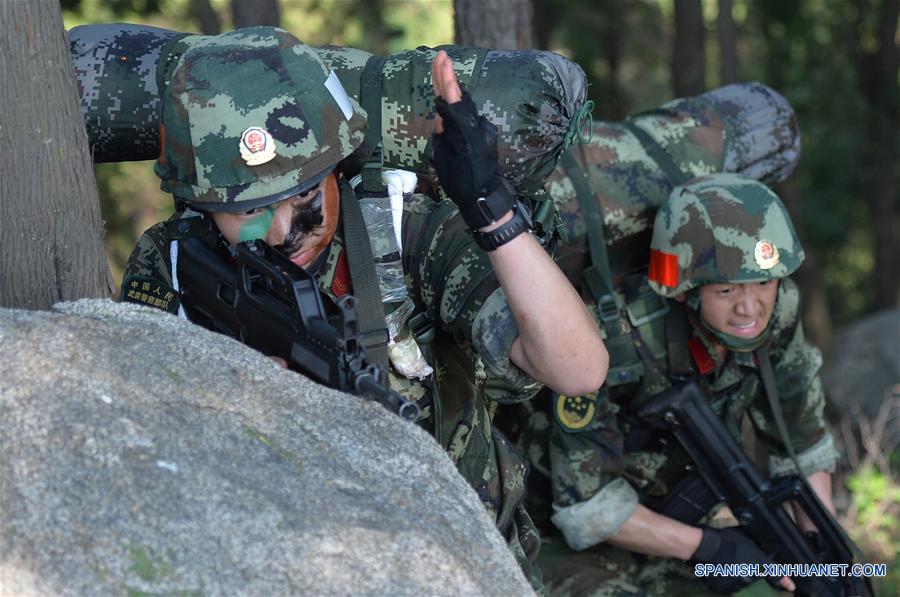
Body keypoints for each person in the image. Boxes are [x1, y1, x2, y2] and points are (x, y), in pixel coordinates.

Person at [119, 27, 608, 589]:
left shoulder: (403, 230)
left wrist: (490, 208)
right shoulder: (175, 261)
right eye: (247, 209)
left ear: (337, 164)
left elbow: (579, 369)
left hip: (461, 564)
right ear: (200, 203)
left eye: (304, 194)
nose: (283, 231)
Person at [521, 173, 838, 595]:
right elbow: (587, 509)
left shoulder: (778, 313)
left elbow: (802, 440)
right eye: (725, 291)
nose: (750, 308)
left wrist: (821, 550)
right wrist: (713, 548)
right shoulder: (610, 339)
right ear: (685, 290)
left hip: (681, 528)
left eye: (764, 282)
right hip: (561, 537)